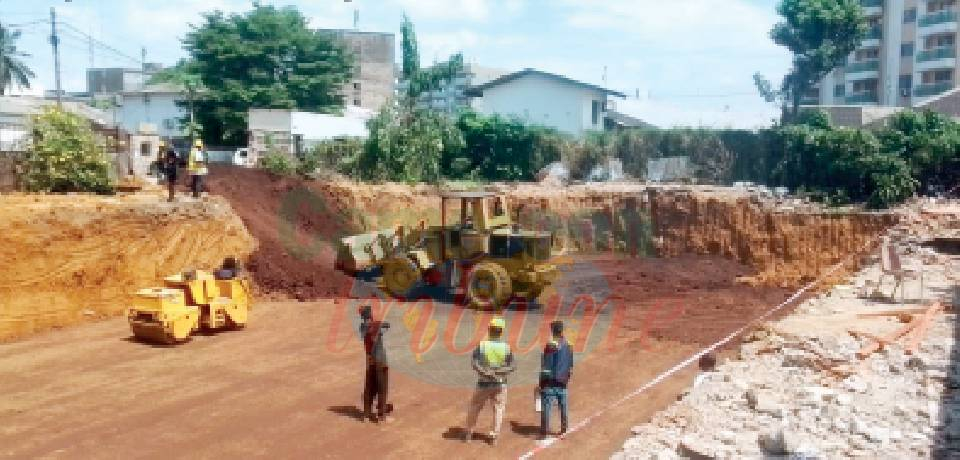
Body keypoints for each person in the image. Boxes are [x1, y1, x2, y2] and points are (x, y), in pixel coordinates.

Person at [464, 316, 515, 445]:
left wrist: (485, 372)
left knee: (475, 407)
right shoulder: (506, 347)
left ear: (489, 329)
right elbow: (512, 366)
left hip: (483, 383)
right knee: (499, 409)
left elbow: (474, 363)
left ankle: (469, 433)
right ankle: (494, 437)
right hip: (500, 383)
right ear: (501, 331)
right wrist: (499, 372)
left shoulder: (482, 346)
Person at [539, 320, 574, 439]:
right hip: (563, 381)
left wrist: (541, 383)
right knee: (563, 405)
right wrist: (566, 378)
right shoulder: (569, 344)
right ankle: (564, 430)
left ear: (553, 330)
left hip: (551, 381)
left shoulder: (550, 345)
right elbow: (570, 365)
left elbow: (546, 366)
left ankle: (544, 431)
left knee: (546, 406)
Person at [359, 305, 392, 423]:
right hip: (380, 360)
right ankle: (381, 415)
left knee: (369, 386)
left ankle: (366, 414)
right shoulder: (376, 325)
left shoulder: (362, 327)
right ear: (370, 314)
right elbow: (387, 325)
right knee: (382, 387)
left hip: (369, 359)